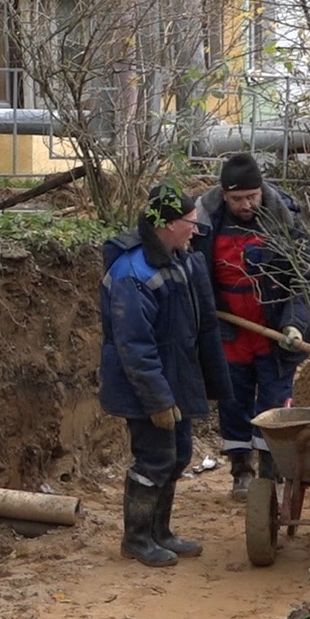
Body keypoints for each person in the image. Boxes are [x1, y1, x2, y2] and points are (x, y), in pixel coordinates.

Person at [99, 184, 235, 567]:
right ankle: (137, 538)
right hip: (143, 386)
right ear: (166, 225)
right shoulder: (132, 273)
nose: (196, 230)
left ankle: (161, 532)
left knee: (178, 456)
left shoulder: (180, 258)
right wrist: (157, 401)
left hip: (173, 378)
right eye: (190, 223)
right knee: (155, 458)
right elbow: (135, 347)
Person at [194, 153, 310, 501]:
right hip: (229, 331)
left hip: (274, 332)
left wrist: (294, 324)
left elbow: (306, 279)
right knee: (233, 401)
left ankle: (270, 472)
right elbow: (192, 273)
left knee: (274, 403)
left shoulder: (283, 219)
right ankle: (241, 472)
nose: (246, 205)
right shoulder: (204, 220)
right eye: (237, 199)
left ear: (261, 190)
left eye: (252, 197)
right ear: (223, 195)